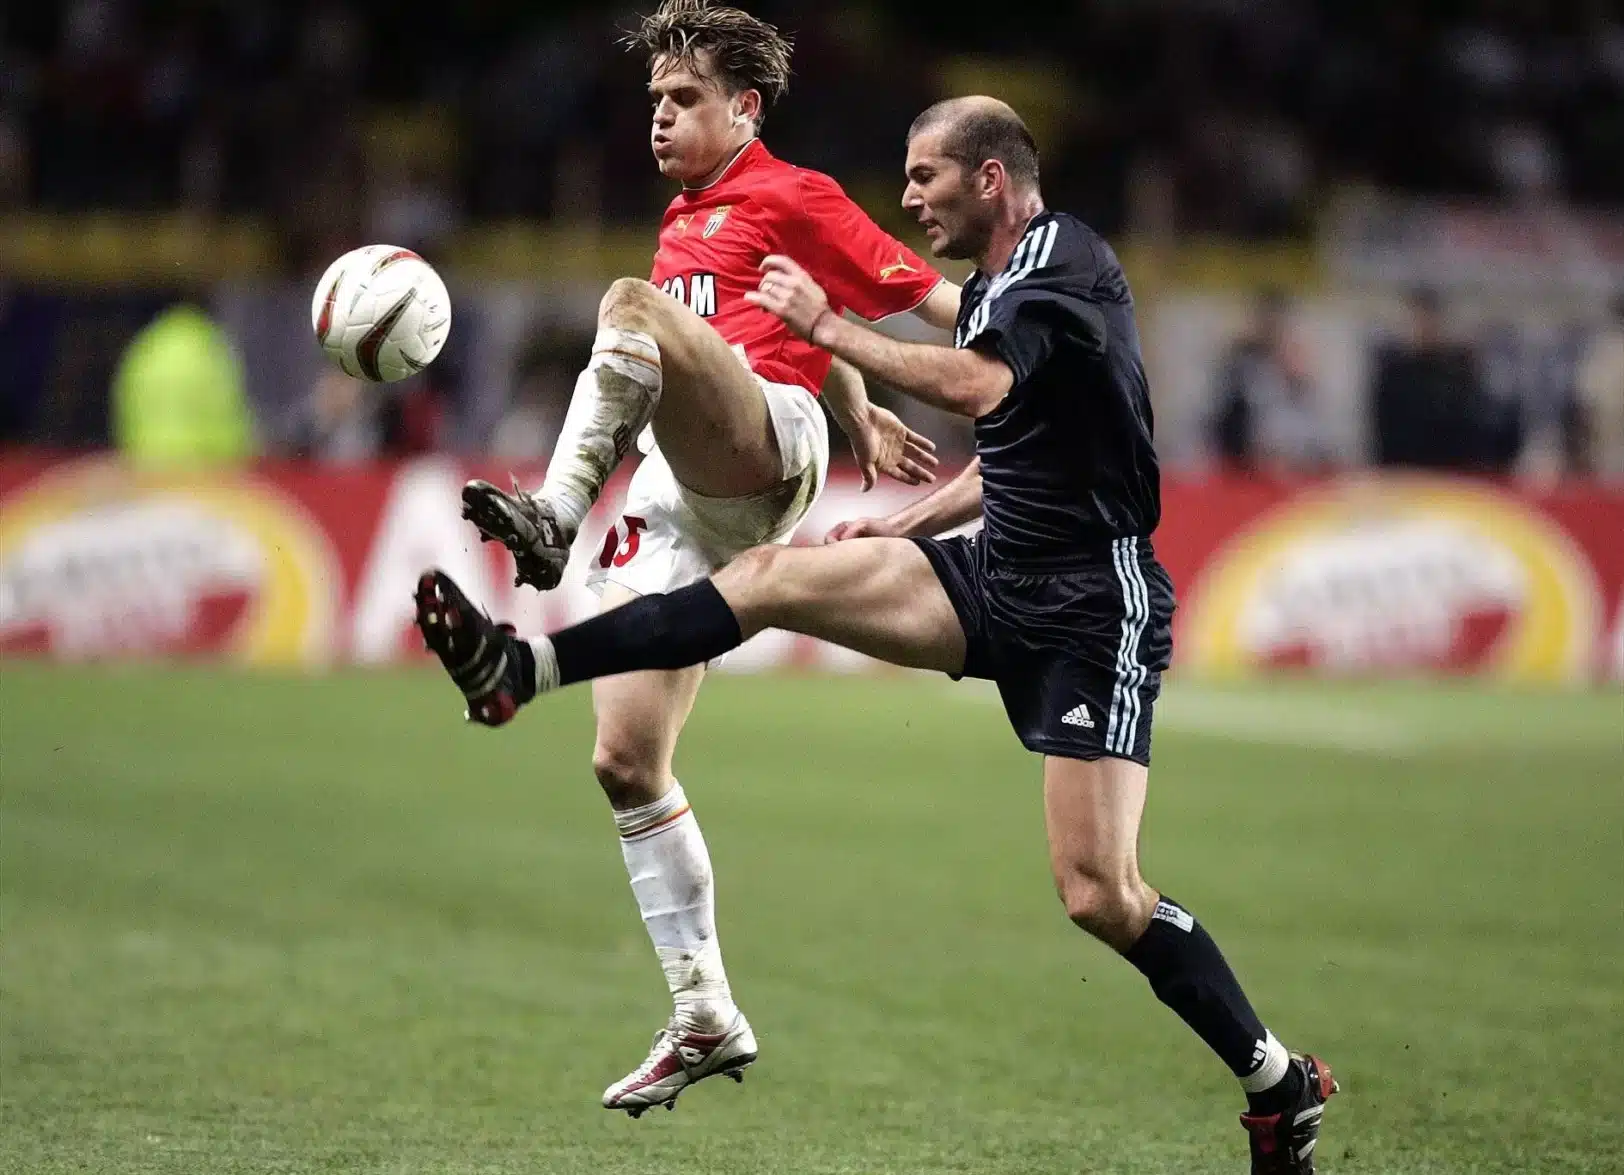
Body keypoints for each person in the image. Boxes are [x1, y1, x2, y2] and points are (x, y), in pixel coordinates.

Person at [419, 95, 1338, 1171]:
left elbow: (976, 384)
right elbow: (1018, 448)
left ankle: (1276, 1077)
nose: (907, 196)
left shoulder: (1060, 255)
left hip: (1093, 600)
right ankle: (519, 665)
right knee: (768, 575)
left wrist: (827, 331)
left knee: (1097, 890)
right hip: (990, 572)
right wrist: (905, 518)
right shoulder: (1006, 283)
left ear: (989, 179)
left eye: (924, 177)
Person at [452, 0, 959, 1117]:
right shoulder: (685, 225)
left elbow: (931, 298)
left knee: (629, 307)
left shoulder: (793, 190)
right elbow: (760, 308)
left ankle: (554, 512)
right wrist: (864, 402)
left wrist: (1018, 334)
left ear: (747, 107)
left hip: (767, 444)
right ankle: (703, 1010)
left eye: (684, 100)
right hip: (683, 494)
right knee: (625, 762)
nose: (660, 118)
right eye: (652, 101)